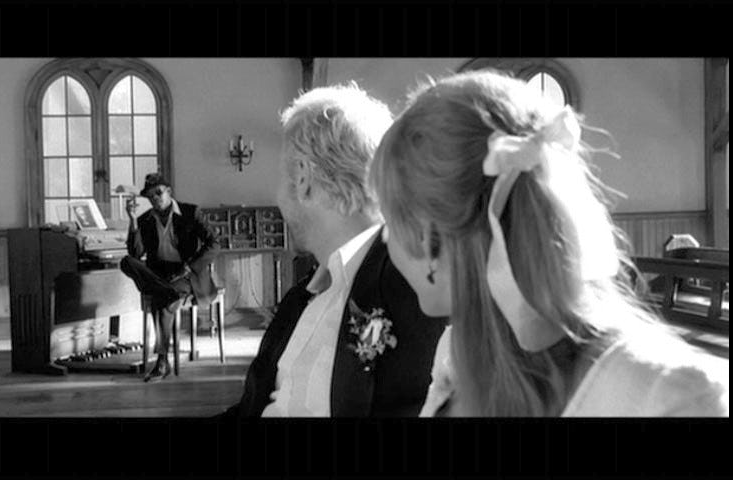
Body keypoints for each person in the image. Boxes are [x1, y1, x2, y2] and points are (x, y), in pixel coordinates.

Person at [369, 69, 729, 416]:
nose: (387, 239)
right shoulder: (456, 353)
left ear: (429, 238)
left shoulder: (673, 398)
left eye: (389, 221)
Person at [221, 83, 446, 417]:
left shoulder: (416, 288)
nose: (278, 196)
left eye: (281, 177)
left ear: (303, 179)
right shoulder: (300, 298)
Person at [120, 173, 219, 382]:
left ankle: (162, 362)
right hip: (160, 275)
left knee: (162, 300)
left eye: (159, 193)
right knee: (127, 262)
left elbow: (214, 244)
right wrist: (133, 220)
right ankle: (166, 292)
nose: (155, 198)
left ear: (169, 192)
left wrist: (190, 267)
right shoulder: (145, 219)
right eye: (150, 196)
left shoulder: (191, 212)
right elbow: (136, 253)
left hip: (186, 273)